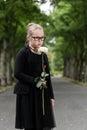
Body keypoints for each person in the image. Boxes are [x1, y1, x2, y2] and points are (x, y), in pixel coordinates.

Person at [13, 23, 56, 130]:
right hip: (27, 94)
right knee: (30, 125)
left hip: (42, 94)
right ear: (29, 37)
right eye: (36, 38)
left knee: (44, 124)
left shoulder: (43, 55)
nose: (39, 41)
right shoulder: (23, 53)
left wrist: (51, 96)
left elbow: (47, 76)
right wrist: (35, 81)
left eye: (42, 38)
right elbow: (17, 73)